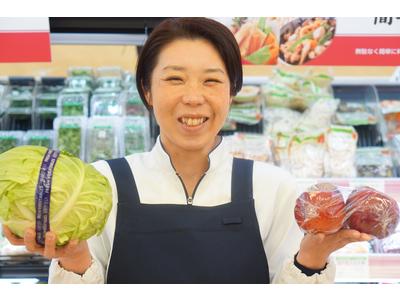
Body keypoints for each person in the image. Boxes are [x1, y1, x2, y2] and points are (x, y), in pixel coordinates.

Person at [2, 17, 372, 284]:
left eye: (212, 80)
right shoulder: (100, 183)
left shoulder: (275, 188)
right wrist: (74, 260)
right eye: (174, 79)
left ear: (232, 93)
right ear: (147, 90)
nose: (193, 97)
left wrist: (313, 258)